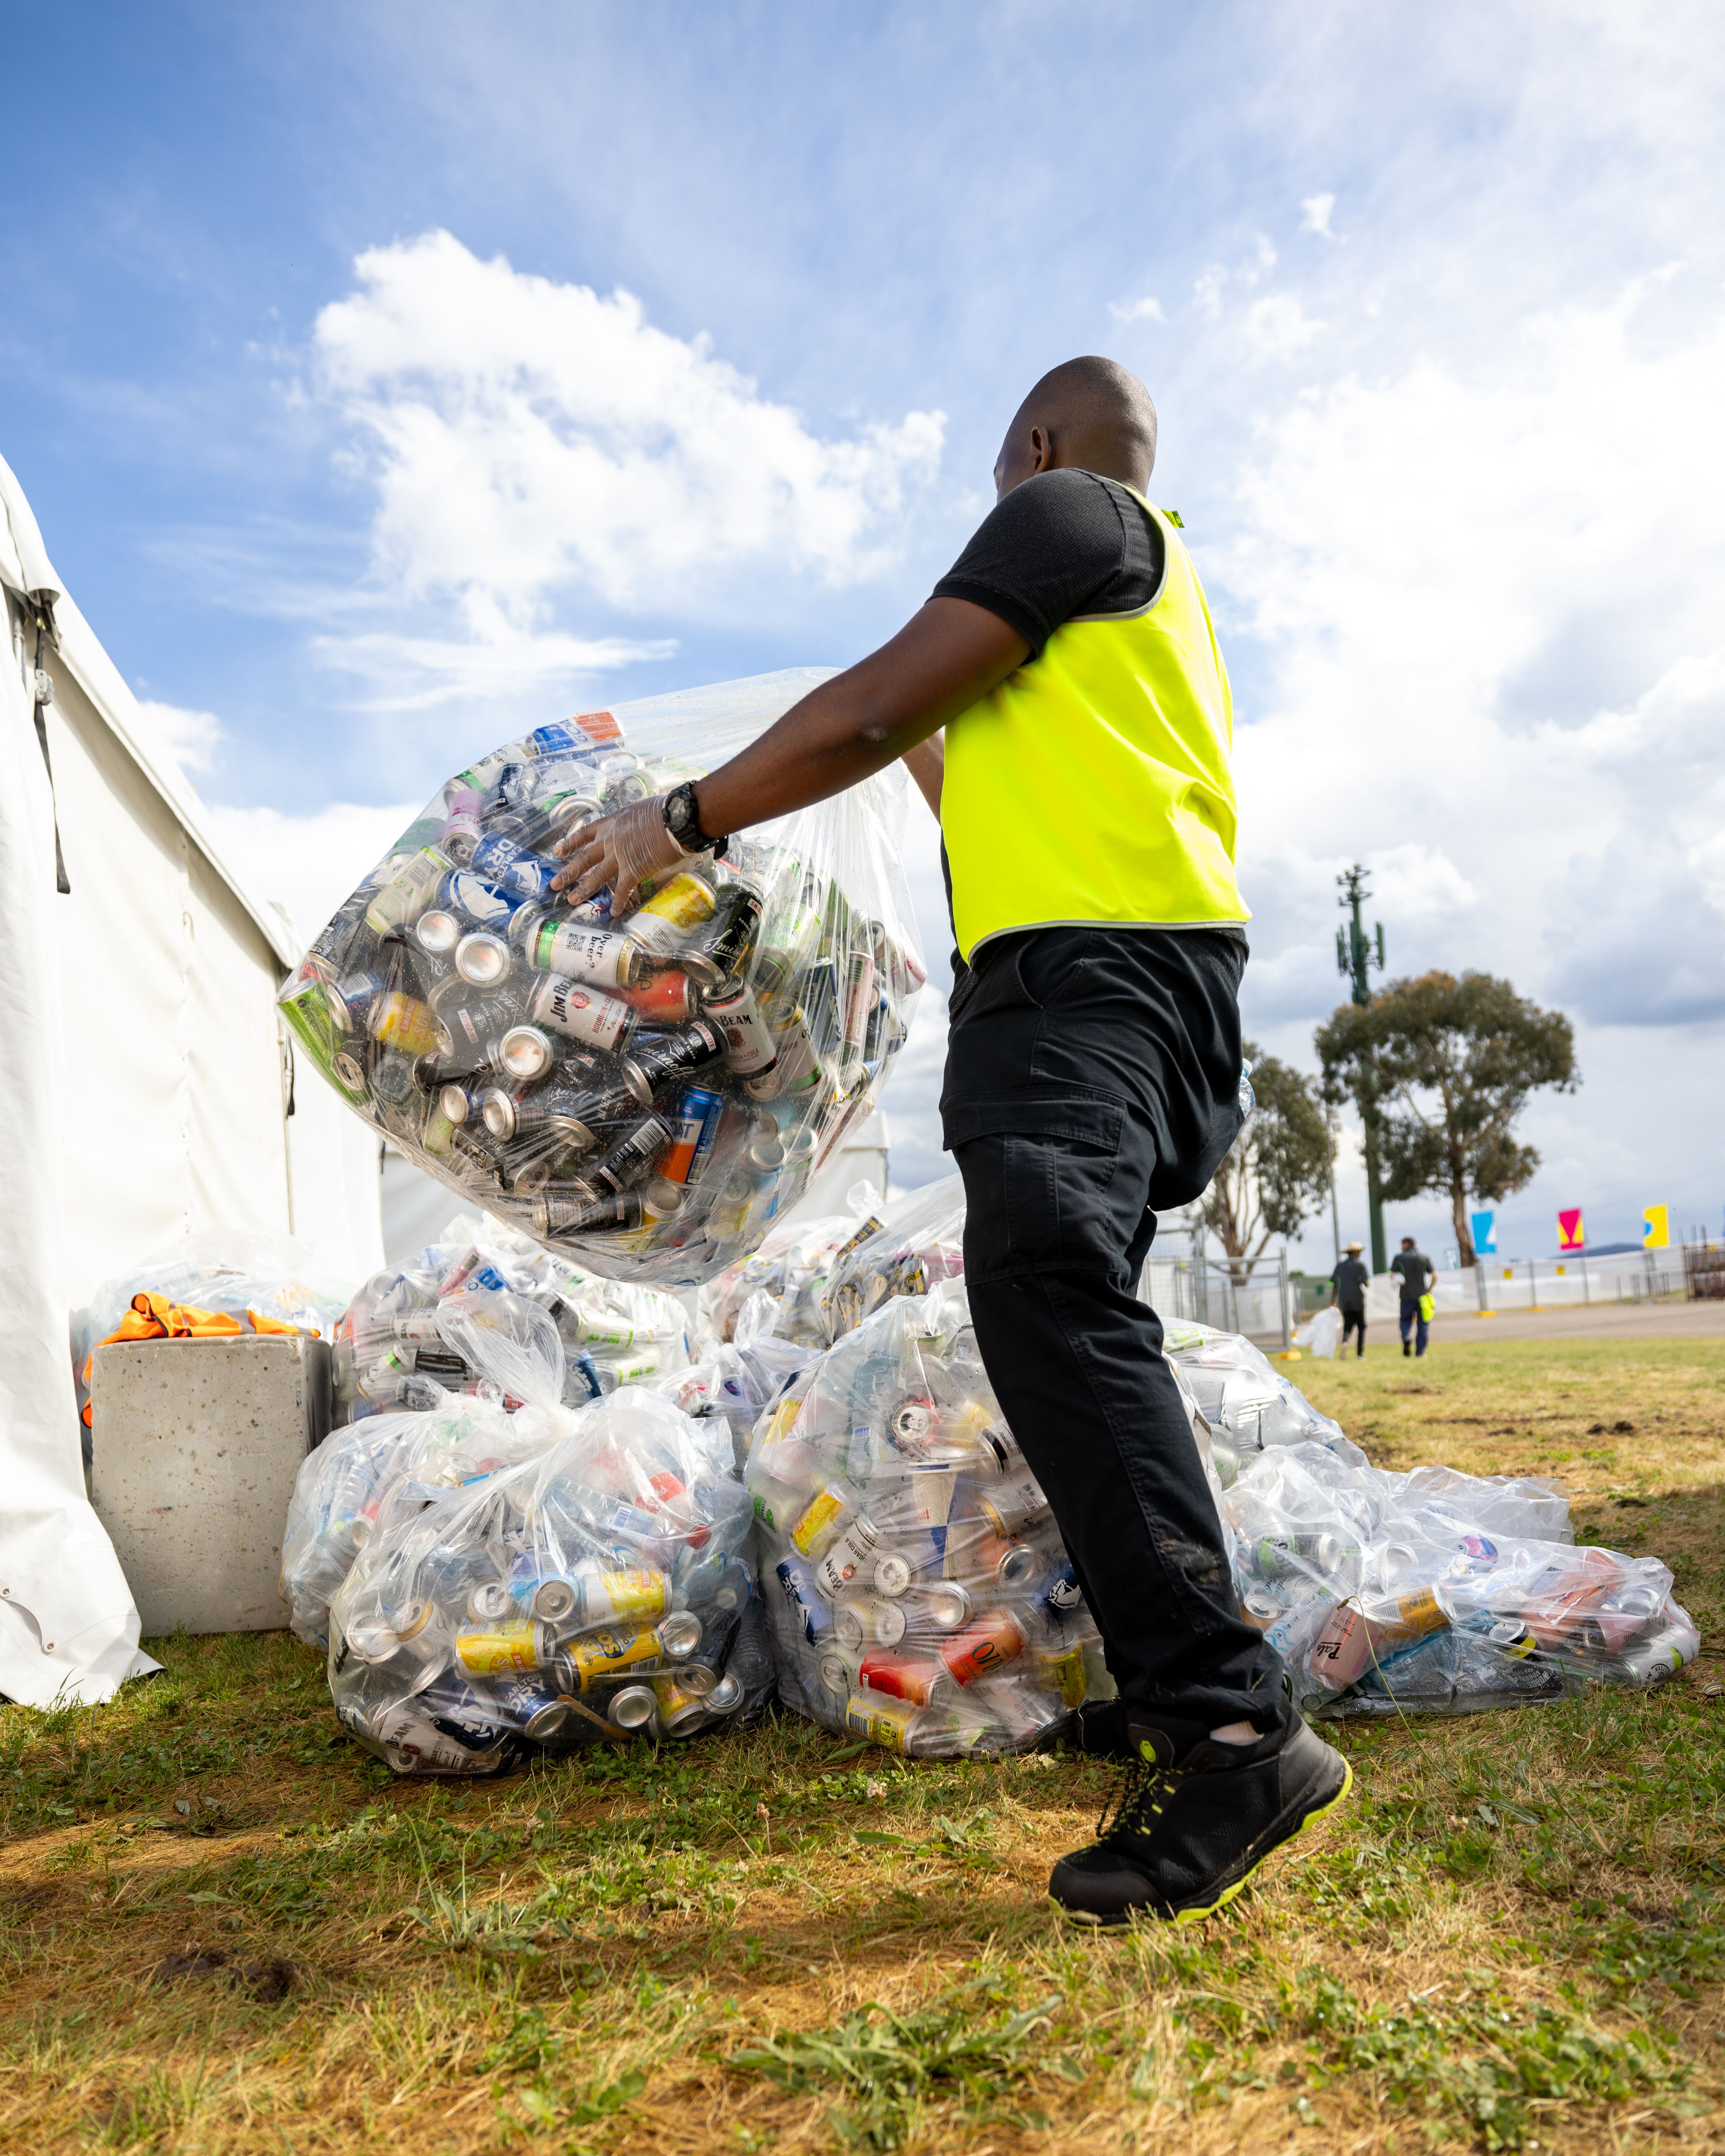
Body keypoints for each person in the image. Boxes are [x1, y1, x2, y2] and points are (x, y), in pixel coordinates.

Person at [551, 355, 1350, 1926]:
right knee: (1071, 1318)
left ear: (1038, 447)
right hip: (1169, 992)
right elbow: (932, 756)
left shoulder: (1065, 512)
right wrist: (855, 755)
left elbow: (873, 706)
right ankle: (1181, 1671)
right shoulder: (1158, 595)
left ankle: (1234, 1728)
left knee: (1049, 1295)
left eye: (1000, 474)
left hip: (1082, 983)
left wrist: (683, 820)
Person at [1391, 1236, 1436, 1356]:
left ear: (1406, 1244)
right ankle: (1421, 1352)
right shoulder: (1424, 1258)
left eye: (1402, 1245)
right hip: (1422, 1296)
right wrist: (1429, 1290)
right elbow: (1435, 1276)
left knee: (1405, 1320)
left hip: (1405, 1296)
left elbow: (1393, 1276)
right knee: (1423, 1324)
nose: (1401, 1247)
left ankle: (1406, 1337)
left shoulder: (1399, 1258)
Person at [1329, 1240, 1370, 1358]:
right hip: (1358, 1300)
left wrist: (1332, 1301)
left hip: (1344, 1300)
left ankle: (1345, 1342)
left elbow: (1334, 1285)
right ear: (1356, 1253)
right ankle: (1360, 1354)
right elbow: (1365, 1283)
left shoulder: (1340, 1266)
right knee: (1361, 1326)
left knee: (1348, 1325)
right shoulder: (1360, 1266)